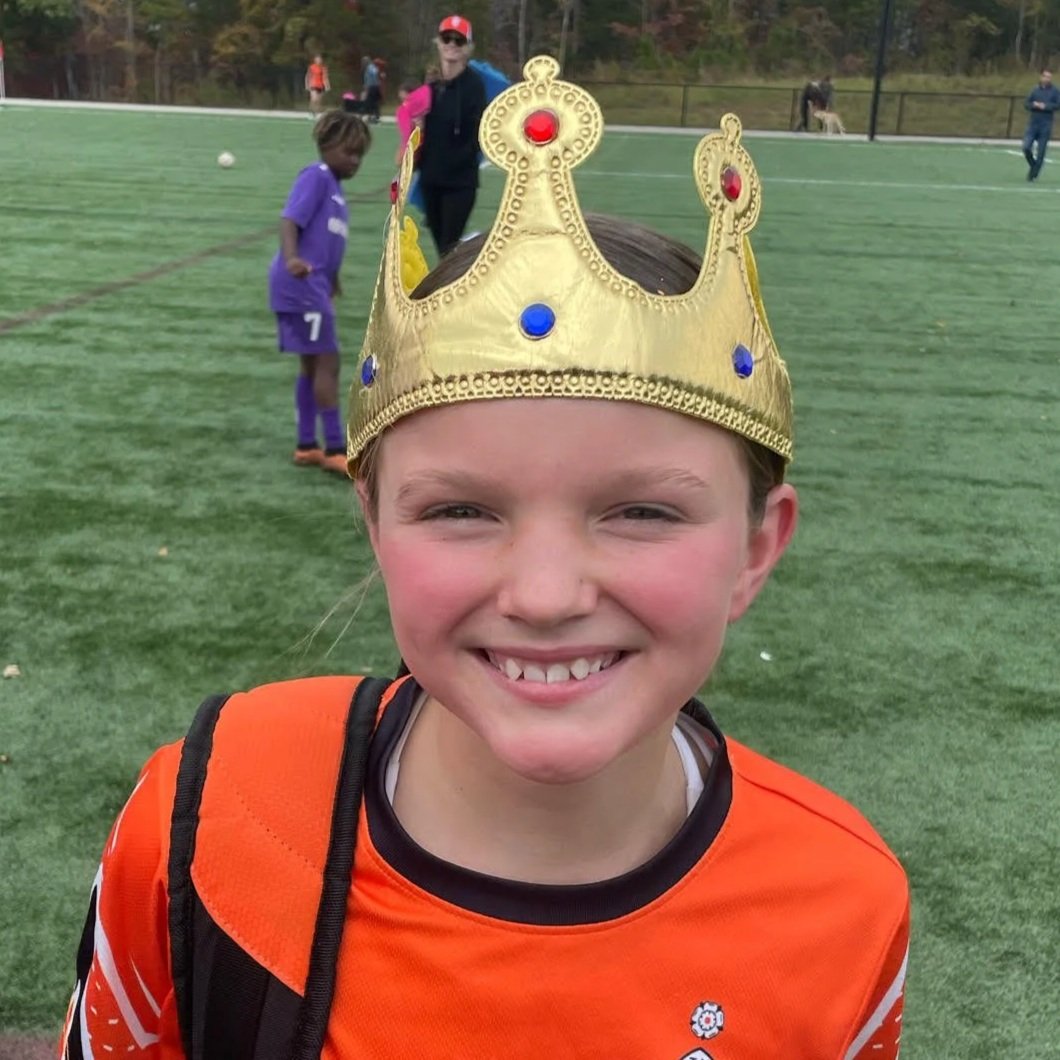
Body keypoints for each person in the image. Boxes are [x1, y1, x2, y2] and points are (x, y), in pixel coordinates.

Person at [59, 59, 909, 1059]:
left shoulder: (841, 904)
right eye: (460, 508)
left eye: (639, 510)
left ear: (757, 546)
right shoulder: (208, 817)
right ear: (373, 522)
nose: (545, 596)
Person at [266, 111, 371, 475]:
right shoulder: (317, 177)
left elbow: (327, 242)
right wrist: (292, 258)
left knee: (312, 364)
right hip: (300, 283)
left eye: (360, 155)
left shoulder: (336, 191)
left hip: (315, 284)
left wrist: (333, 279)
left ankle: (307, 444)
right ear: (327, 147)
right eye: (348, 152)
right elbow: (290, 221)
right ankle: (335, 448)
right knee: (328, 361)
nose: (354, 161)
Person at [416, 14, 486, 256]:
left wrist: (459, 161)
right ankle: (466, 253)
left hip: (459, 182)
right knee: (442, 249)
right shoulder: (430, 84)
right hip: (430, 179)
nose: (452, 45)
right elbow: (414, 126)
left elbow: (478, 137)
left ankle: (455, 281)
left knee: (447, 247)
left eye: (459, 40)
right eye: (447, 38)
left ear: (468, 47)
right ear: (439, 42)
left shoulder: (474, 86)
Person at [1022, 68, 1059, 181]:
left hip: (1046, 124)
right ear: (1041, 77)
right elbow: (1026, 104)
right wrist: (1034, 105)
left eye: (1049, 77)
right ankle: (1034, 166)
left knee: (1041, 152)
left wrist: (1045, 106)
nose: (1047, 79)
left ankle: (1033, 174)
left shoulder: (1055, 91)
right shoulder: (1035, 90)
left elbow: (1058, 105)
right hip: (1033, 124)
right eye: (1045, 76)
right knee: (1026, 147)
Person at [361, 55, 383, 124]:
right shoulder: (368, 68)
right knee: (372, 102)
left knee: (371, 101)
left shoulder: (370, 67)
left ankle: (373, 116)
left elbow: (375, 73)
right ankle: (374, 116)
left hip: (373, 87)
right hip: (372, 87)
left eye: (364, 62)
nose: (363, 63)